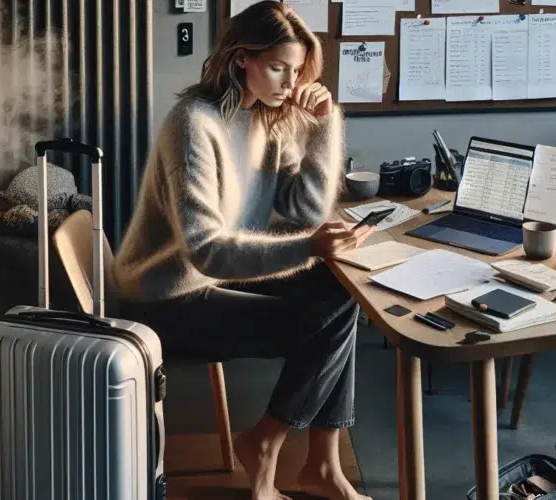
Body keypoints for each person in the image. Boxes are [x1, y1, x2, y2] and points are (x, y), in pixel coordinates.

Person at [111, 2, 374, 499]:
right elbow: (205, 251)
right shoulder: (193, 123)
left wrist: (324, 125)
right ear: (240, 59)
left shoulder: (267, 118)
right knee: (324, 327)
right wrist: (309, 246)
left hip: (216, 276)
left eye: (297, 71)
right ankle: (267, 444)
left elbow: (305, 210)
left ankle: (321, 464)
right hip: (164, 296)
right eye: (277, 68)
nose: (290, 83)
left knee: (339, 290)